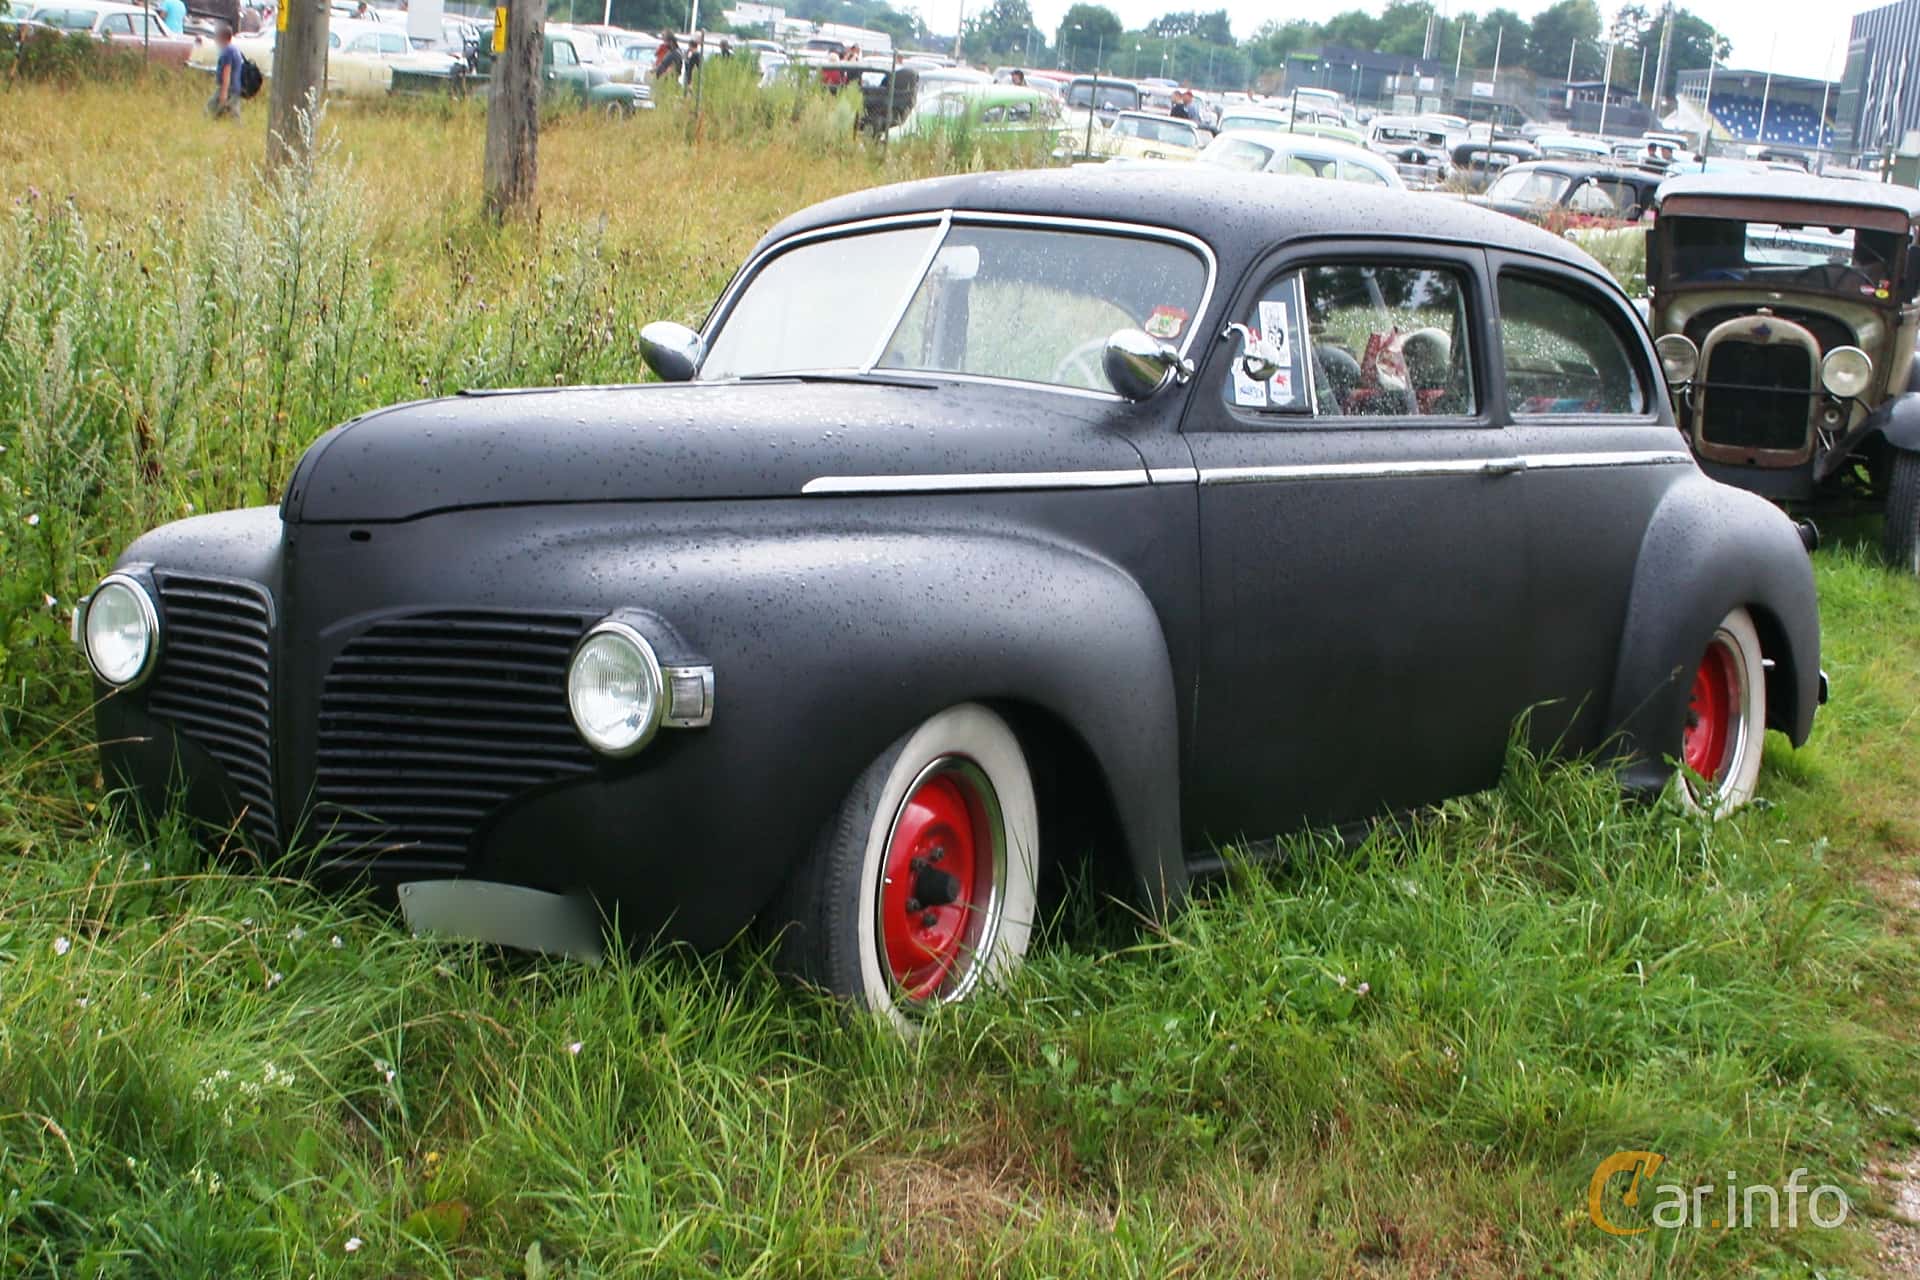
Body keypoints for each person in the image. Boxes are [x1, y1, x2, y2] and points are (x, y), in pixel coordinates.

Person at [208, 24, 243, 119]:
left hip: (229, 88)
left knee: (210, 109)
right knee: (232, 113)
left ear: (222, 37)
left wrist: (224, 92)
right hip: (234, 87)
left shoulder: (227, 52)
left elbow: (227, 72)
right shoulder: (233, 49)